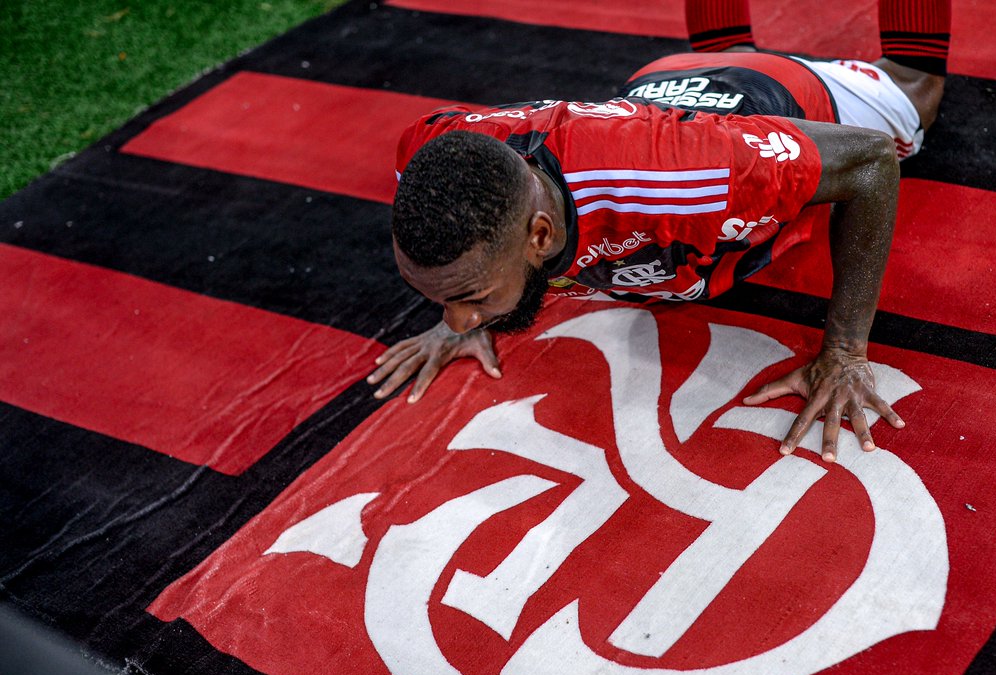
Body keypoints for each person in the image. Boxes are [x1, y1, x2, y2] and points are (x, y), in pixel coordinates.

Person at [369, 0, 951, 463]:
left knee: (916, 91)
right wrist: (460, 303)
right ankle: (726, 49)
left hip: (774, 94)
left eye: (470, 298)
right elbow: (460, 225)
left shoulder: (687, 181)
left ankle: (769, 58)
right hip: (662, 82)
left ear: (540, 235)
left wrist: (845, 352)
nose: (459, 319)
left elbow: (872, 161)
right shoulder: (427, 149)